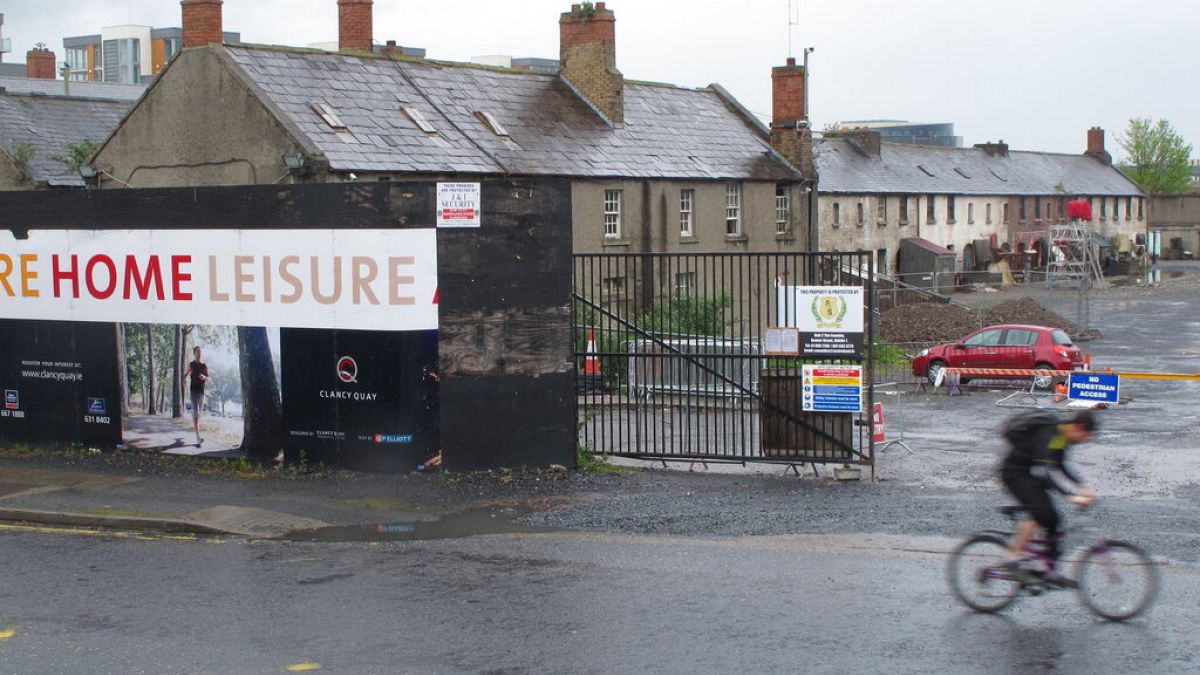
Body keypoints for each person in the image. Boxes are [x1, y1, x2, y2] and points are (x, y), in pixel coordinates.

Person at [999, 409, 1097, 587]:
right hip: (1015, 473)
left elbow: (1058, 464)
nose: (1084, 441)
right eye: (1086, 437)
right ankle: (1011, 560)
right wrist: (1071, 496)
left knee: (1055, 519)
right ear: (1078, 428)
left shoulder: (1060, 435)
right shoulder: (1049, 433)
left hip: (1030, 473)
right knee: (1042, 513)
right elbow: (1045, 472)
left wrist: (1082, 485)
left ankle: (1048, 570)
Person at [182, 346, 210, 446]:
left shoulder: (204, 365)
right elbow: (185, 374)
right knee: (196, 413)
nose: (199, 353)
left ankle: (193, 413)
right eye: (197, 352)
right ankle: (198, 437)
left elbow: (208, 378)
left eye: (200, 352)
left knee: (199, 414)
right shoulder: (191, 364)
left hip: (201, 392)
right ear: (194, 353)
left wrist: (204, 377)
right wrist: (184, 380)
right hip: (193, 391)